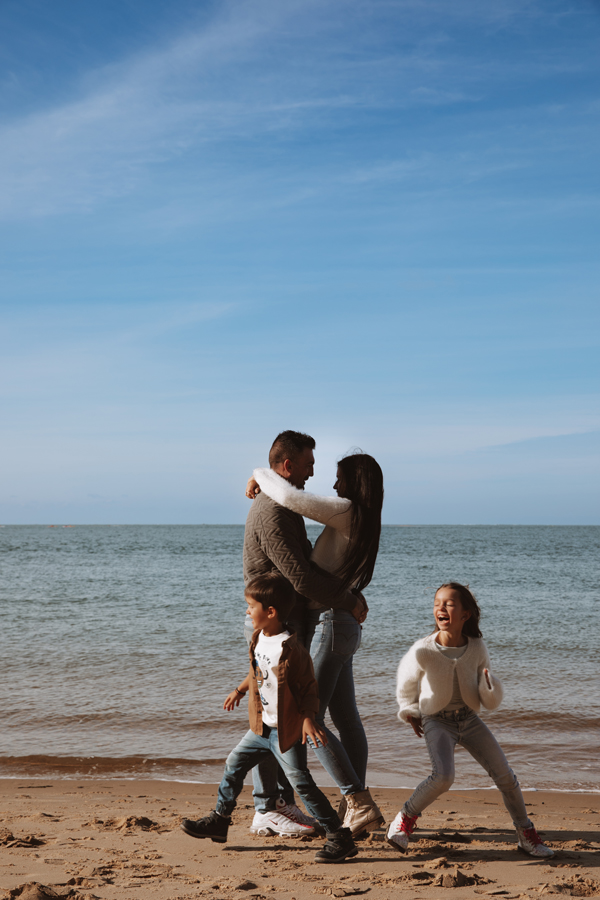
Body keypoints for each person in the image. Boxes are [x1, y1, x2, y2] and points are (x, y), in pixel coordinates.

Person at [246, 450, 384, 838]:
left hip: (329, 623)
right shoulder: (364, 517)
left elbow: (290, 499)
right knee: (347, 720)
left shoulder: (346, 509)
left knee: (307, 719)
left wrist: (258, 472)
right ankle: (349, 810)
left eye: (340, 478)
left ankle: (355, 803)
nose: (335, 485)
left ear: (354, 483)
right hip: (342, 627)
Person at [180, 573, 358, 864]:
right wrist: (239, 689)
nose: (247, 611)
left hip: (285, 733)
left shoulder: (292, 650)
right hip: (261, 728)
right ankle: (220, 820)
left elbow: (309, 689)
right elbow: (256, 672)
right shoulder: (259, 638)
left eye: (251, 606)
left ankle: (340, 836)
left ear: (271, 612)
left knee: (302, 784)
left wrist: (309, 718)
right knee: (233, 765)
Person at [388, 582, 554, 858]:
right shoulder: (423, 650)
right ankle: (404, 820)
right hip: (437, 720)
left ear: (465, 614)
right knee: (443, 776)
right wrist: (411, 712)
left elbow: (486, 690)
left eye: (449, 603)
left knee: (506, 776)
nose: (440, 608)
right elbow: (406, 683)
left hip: (469, 719)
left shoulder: (477, 647)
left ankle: (526, 834)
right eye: (437, 603)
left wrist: (490, 687)